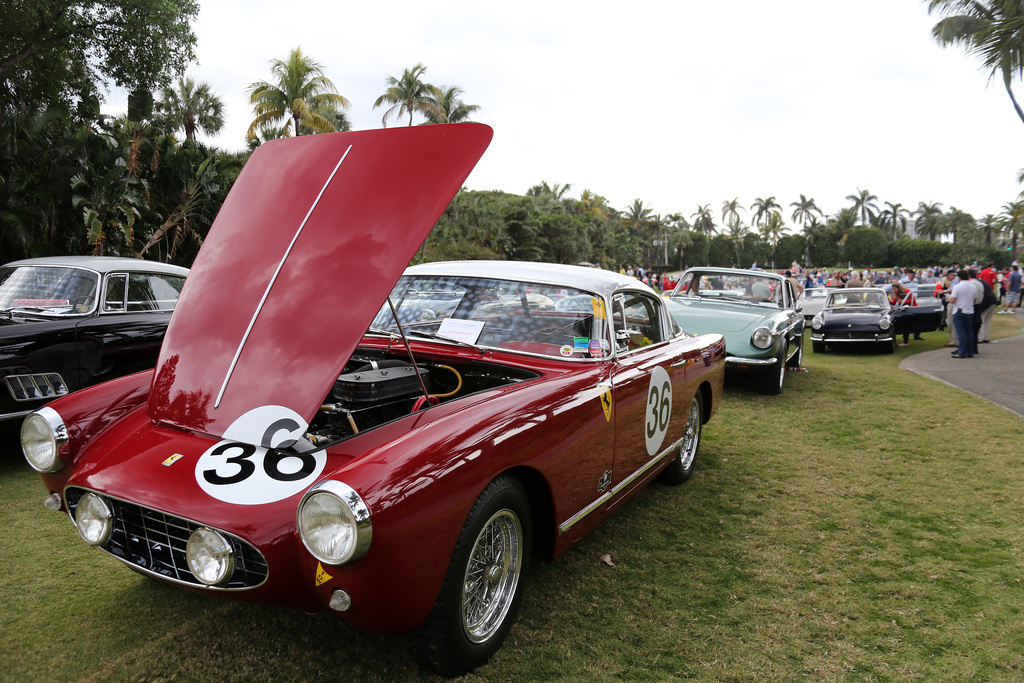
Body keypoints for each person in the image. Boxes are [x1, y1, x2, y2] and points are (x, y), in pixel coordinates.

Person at [948, 269, 977, 358]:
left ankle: (961, 351)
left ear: (959, 277)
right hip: (970, 310)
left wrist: (948, 296)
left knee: (961, 333)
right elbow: (975, 300)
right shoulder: (973, 286)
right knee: (969, 332)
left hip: (959, 310)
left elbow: (952, 300)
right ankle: (970, 351)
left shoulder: (957, 287)